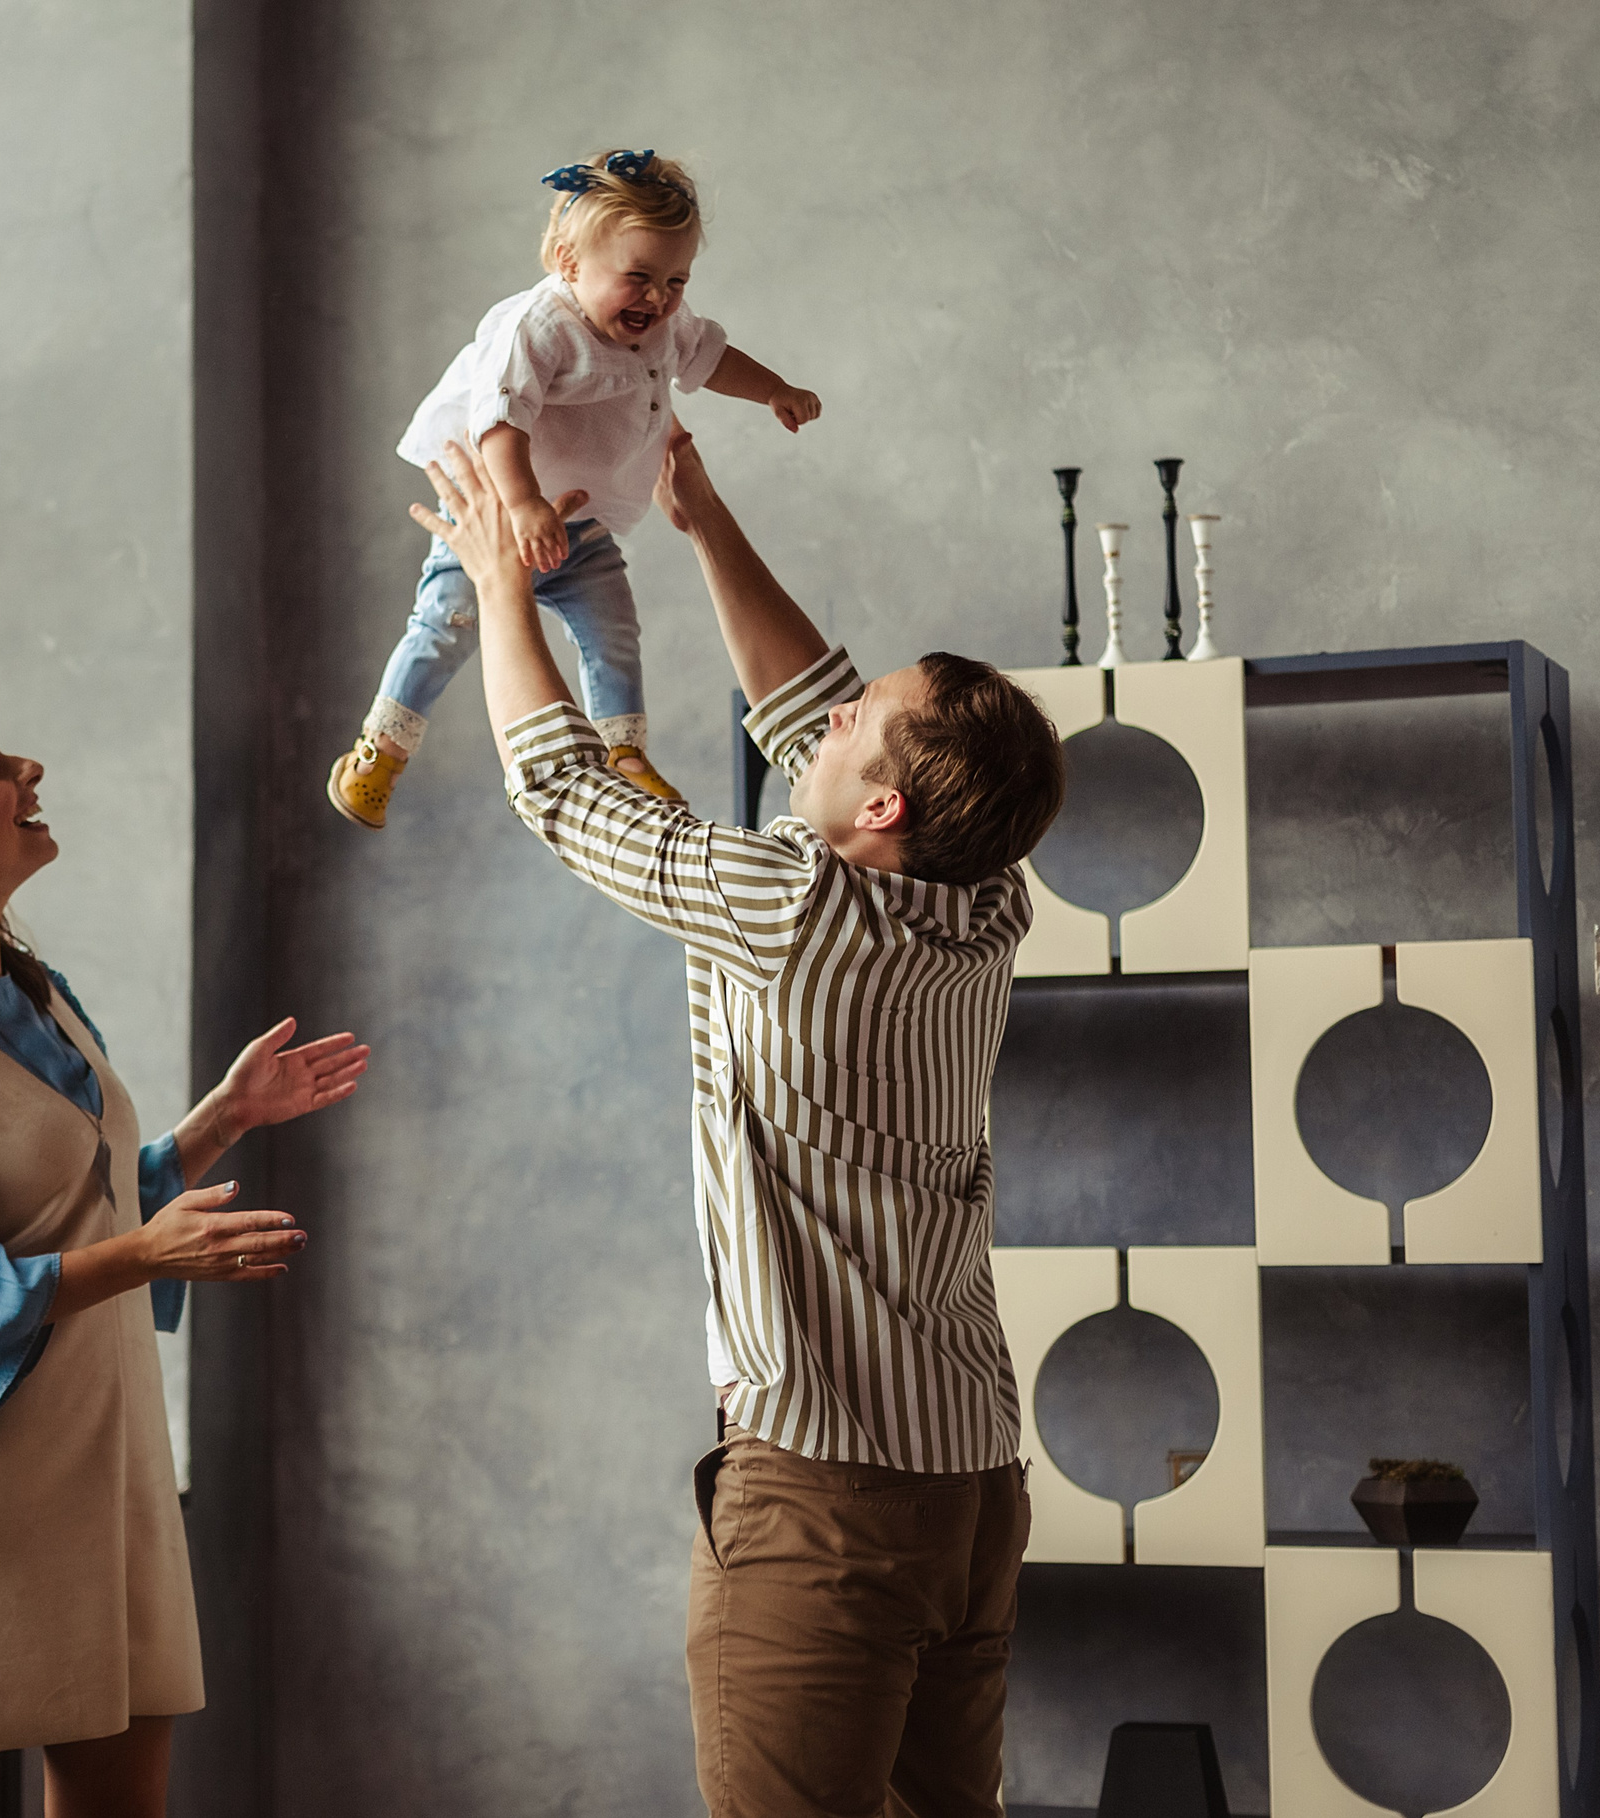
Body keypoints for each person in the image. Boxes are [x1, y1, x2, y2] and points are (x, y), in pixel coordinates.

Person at [414, 430, 1066, 1816]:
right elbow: (810, 708)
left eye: (857, 721)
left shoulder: (792, 905)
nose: (830, 713)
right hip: (972, 1488)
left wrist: (499, 588)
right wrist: (703, 521)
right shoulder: (990, 903)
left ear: (881, 807)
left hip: (826, 1503)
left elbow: (562, 790)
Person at [0, 689, 369, 1818]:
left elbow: (74, 1209)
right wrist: (146, 1257)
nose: (31, 770)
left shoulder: (39, 997)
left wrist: (220, 1121)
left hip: (114, 1472)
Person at [326, 146, 820, 830]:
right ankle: (380, 750)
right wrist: (523, 503)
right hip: (499, 517)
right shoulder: (539, 329)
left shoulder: (668, 328)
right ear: (568, 263)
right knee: (445, 627)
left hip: (582, 528)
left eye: (676, 281)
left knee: (614, 633)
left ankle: (624, 754)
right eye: (638, 278)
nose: (659, 298)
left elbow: (713, 358)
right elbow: (499, 421)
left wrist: (774, 390)